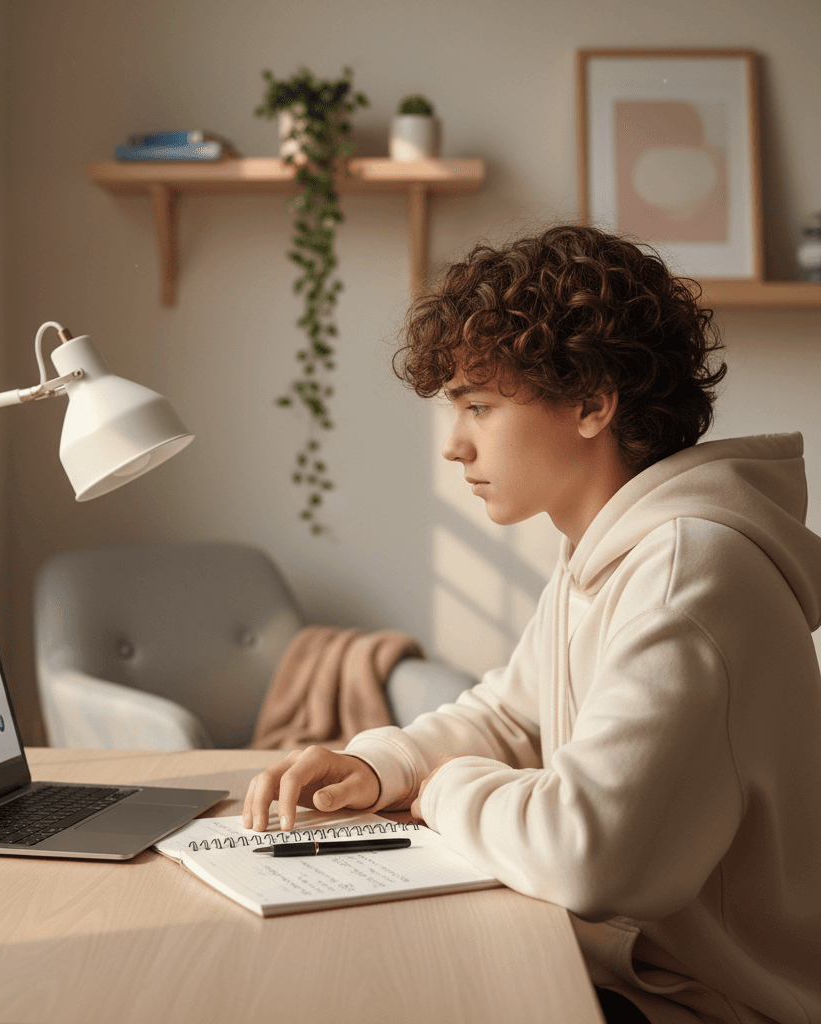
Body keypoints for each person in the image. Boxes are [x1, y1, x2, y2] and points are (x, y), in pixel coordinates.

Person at [243, 225, 821, 1024]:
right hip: (626, 972)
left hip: (703, 1005)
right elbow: (512, 716)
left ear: (592, 403)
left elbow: (590, 855)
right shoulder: (609, 549)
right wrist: (379, 765)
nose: (455, 446)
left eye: (479, 406)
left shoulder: (688, 576)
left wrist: (440, 787)